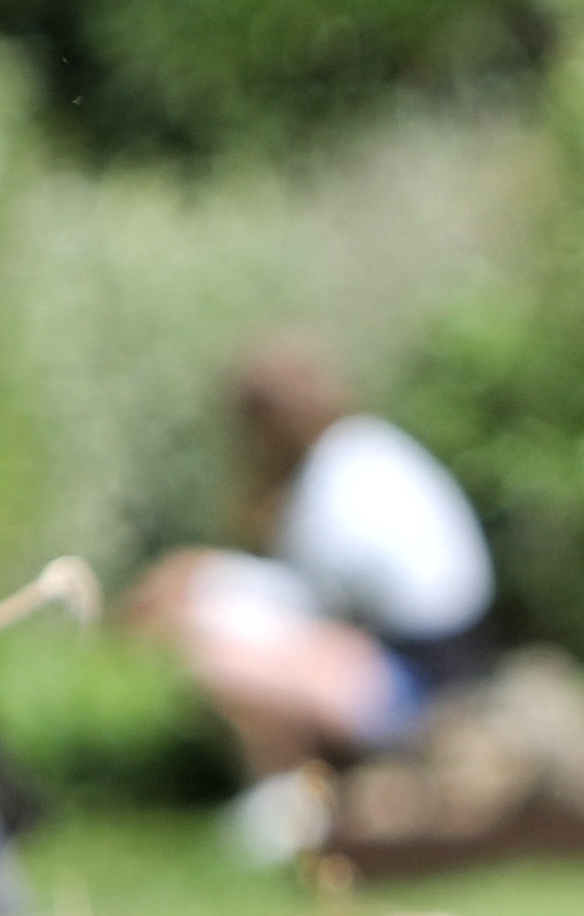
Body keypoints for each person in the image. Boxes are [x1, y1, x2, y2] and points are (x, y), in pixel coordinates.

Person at [125, 339, 496, 860]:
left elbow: (305, 607)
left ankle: (290, 800)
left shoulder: (338, 485)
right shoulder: (363, 451)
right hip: (430, 662)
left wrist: (203, 578)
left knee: (220, 657)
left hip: (415, 684)